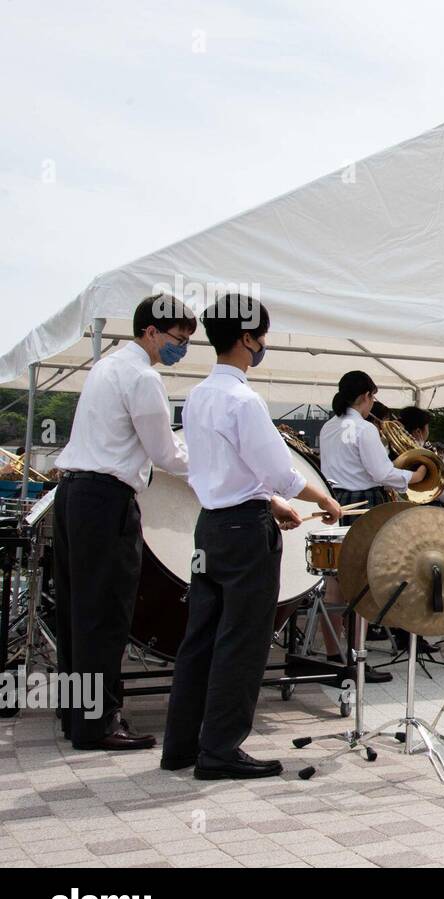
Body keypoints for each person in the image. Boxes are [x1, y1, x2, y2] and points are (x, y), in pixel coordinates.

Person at [161, 294, 342, 779]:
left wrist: (270, 500)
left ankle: (180, 745)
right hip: (245, 533)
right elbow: (279, 471)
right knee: (242, 643)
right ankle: (220, 750)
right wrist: (321, 499)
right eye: (261, 336)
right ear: (247, 338)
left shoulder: (198, 396)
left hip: (212, 526)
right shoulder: (245, 399)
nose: (263, 345)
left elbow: (222, 468)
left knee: (200, 637)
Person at [53, 293, 195, 751]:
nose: (182, 348)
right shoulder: (143, 376)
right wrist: (214, 461)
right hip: (106, 500)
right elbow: (166, 454)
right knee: (106, 614)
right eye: (178, 338)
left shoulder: (107, 366)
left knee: (77, 611)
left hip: (75, 494)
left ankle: (76, 716)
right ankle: (99, 724)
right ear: (150, 332)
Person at [316, 370, 425, 681]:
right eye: (372, 397)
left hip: (335, 501)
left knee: (334, 581)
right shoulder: (363, 429)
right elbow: (381, 472)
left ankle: (334, 655)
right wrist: (413, 478)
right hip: (363, 502)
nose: (372, 404)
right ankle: (356, 659)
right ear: (365, 396)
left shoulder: (328, 427)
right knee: (360, 581)